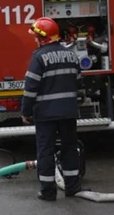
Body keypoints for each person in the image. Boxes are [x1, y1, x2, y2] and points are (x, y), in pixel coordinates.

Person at [21, 17, 83, 201]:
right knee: (70, 148)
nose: (34, 40)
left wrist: (26, 112)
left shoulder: (38, 57)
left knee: (45, 150)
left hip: (46, 114)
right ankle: (73, 186)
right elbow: (79, 85)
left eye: (36, 36)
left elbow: (31, 89)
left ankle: (48, 191)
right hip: (69, 112)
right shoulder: (72, 55)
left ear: (43, 38)